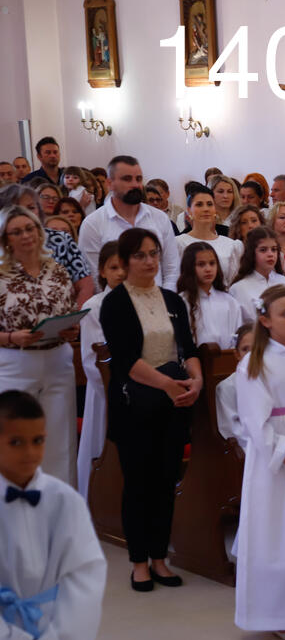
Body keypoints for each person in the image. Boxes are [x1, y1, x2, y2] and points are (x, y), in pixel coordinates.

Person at [0, 390, 107, 640]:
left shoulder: (65, 501)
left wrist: (59, 637)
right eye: (16, 442)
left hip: (53, 639)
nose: (30, 452)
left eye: (38, 440)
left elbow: (87, 572)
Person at [100, 228, 202, 591]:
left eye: (154, 254)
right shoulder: (115, 302)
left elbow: (188, 348)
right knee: (138, 484)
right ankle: (139, 562)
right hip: (135, 404)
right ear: (125, 261)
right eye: (140, 255)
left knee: (165, 481)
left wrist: (196, 380)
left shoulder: (172, 300)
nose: (149, 261)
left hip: (172, 404)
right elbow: (126, 360)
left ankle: (160, 558)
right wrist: (168, 385)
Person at [233, 285, 285, 636]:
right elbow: (254, 422)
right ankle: (278, 615)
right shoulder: (253, 363)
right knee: (279, 534)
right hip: (277, 461)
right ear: (265, 320)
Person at [0, 206, 82, 486]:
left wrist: (71, 328)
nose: (26, 236)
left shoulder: (57, 270)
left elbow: (68, 309)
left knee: (60, 440)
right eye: (17, 232)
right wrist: (11, 338)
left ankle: (58, 503)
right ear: (6, 239)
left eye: (30, 229)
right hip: (14, 362)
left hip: (58, 359)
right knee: (14, 435)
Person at [79, 155, 181, 289]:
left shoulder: (159, 218)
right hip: (113, 300)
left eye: (138, 179)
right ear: (110, 184)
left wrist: (164, 298)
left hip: (158, 297)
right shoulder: (93, 224)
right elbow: (95, 278)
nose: (135, 185)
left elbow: (172, 268)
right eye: (127, 179)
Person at [77, 241, 125, 498]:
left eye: (124, 267)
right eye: (113, 268)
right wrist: (114, 390)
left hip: (140, 389)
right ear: (102, 271)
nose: (120, 273)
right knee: (102, 449)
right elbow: (91, 357)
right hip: (107, 391)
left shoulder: (141, 299)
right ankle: (96, 501)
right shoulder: (94, 306)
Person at [0, 183, 95, 306]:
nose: (25, 214)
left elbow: (85, 285)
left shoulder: (60, 240)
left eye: (31, 207)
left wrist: (77, 315)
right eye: (17, 208)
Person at [176, 241, 242, 347]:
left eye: (212, 263)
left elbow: (238, 337)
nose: (208, 269)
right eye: (201, 264)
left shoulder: (230, 302)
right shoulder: (181, 302)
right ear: (190, 267)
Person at [176, 185, 244, 283]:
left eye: (209, 204)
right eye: (199, 204)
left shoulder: (231, 245)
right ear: (189, 210)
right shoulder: (178, 243)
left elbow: (234, 282)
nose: (206, 209)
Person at [228, 227, 285, 323]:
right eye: (263, 250)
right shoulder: (239, 289)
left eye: (274, 249)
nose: (270, 254)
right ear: (252, 253)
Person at [216, 324, 254, 452]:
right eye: (245, 349)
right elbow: (230, 428)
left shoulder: (274, 381)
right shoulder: (227, 387)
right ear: (237, 354)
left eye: (257, 349)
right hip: (248, 449)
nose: (251, 355)